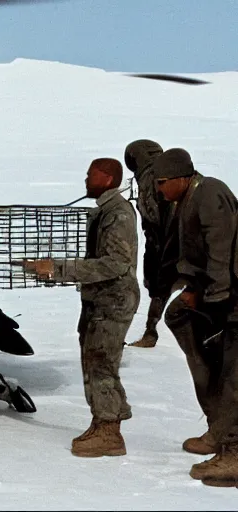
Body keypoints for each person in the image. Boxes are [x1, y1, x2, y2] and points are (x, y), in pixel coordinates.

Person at [24, 158, 138, 457]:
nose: (86, 179)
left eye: (92, 174)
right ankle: (102, 421)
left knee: (102, 363)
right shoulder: (104, 210)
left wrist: (59, 269)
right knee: (93, 360)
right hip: (99, 299)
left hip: (113, 300)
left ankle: (109, 431)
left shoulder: (118, 214)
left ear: (109, 177)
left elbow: (115, 263)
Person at [153, 148, 238, 486]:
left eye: (161, 183)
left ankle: (233, 452)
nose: (159, 190)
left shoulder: (210, 193)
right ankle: (220, 431)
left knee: (233, 375)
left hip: (231, 298)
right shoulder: (187, 198)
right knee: (214, 367)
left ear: (181, 177)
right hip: (219, 296)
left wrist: (213, 295)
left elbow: (220, 247)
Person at [124, 140, 174, 348]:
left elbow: (155, 213)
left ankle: (150, 333)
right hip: (164, 242)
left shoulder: (151, 178)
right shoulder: (167, 172)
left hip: (164, 243)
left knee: (159, 287)